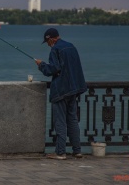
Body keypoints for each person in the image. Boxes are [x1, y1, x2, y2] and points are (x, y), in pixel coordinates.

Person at [35, 28, 87, 160]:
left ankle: (60, 152)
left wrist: (41, 65)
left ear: (51, 39)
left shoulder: (55, 49)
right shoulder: (71, 46)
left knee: (60, 122)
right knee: (73, 120)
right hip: (73, 88)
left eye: (47, 41)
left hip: (61, 90)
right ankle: (77, 151)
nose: (47, 44)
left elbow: (54, 69)